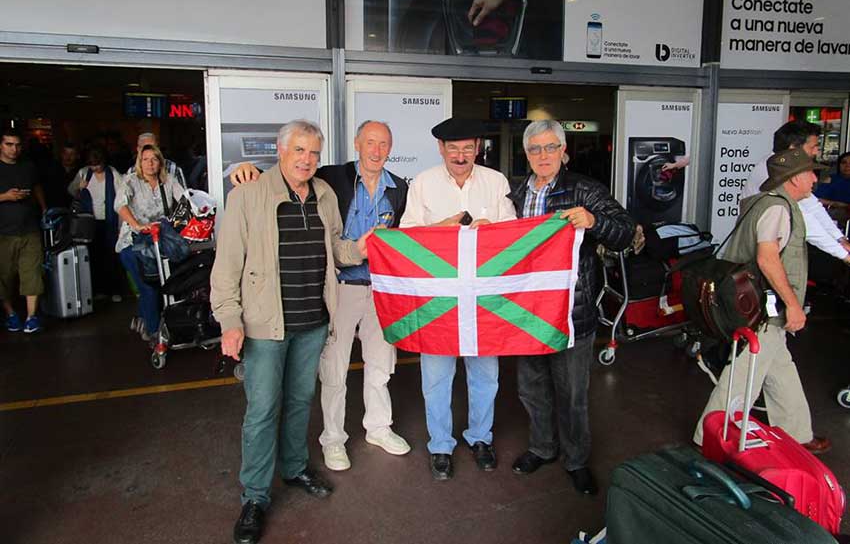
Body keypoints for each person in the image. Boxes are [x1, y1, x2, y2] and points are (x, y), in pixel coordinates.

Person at [211, 120, 371, 544]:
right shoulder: (247, 195)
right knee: (263, 410)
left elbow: (335, 248)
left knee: (300, 401)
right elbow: (225, 268)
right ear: (281, 151)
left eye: (314, 153)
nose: (308, 160)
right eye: (300, 151)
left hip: (313, 321)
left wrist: (360, 248)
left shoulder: (324, 195)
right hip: (265, 326)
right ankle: (255, 497)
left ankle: (296, 466)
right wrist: (230, 322)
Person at [228, 121, 412, 471]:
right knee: (334, 370)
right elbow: (289, 172)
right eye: (370, 142)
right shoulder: (332, 177)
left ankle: (378, 427)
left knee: (380, 366)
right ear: (356, 143)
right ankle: (333, 439)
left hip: (382, 291)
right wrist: (246, 169)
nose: (376, 150)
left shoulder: (400, 188)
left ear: (391, 148)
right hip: (340, 289)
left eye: (383, 144)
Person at [506, 120, 635, 495]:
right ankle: (542, 448)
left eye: (550, 148)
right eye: (535, 149)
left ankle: (576, 460)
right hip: (525, 311)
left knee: (572, 394)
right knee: (532, 388)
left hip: (571, 313)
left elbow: (625, 231)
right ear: (526, 154)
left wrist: (593, 221)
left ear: (564, 151)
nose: (543, 156)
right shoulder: (513, 194)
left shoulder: (584, 190)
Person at [693, 148, 832, 455]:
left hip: (754, 304)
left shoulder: (761, 203)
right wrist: (793, 305)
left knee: (780, 367)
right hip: (762, 309)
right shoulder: (778, 209)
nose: (815, 179)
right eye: (811, 173)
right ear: (795, 178)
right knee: (744, 372)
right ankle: (710, 436)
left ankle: (797, 431)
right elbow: (767, 259)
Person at [400, 117, 516, 481]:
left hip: (483, 297)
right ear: (441, 150)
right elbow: (406, 237)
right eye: (453, 149)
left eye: (468, 148)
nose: (461, 155)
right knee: (436, 376)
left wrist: (491, 231)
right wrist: (442, 229)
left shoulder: (496, 182)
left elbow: (512, 234)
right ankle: (440, 445)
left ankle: (481, 438)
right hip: (440, 298)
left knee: (486, 374)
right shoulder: (422, 183)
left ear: (478, 148)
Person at [743, 120, 850, 265]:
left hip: (782, 248)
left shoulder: (786, 167)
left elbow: (812, 205)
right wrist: (843, 254)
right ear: (793, 148)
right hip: (767, 253)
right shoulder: (773, 171)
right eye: (813, 147)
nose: (816, 151)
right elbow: (804, 218)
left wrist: (840, 238)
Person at [114, 144, 184, 341]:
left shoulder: (168, 180)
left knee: (166, 284)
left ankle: (144, 319)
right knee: (149, 287)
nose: (150, 163)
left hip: (159, 242)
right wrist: (136, 225)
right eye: (145, 159)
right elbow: (119, 205)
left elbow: (185, 200)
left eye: (154, 159)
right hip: (133, 243)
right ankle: (154, 334)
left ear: (160, 162)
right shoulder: (131, 180)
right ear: (139, 162)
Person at [0, 127, 47, 333]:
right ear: (1, 145)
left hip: (29, 229)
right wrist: (5, 197)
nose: (13, 149)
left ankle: (31, 316)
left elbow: (37, 187)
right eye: (9, 144)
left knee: (32, 273)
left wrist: (44, 208)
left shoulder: (28, 166)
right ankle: (10, 314)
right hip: (3, 232)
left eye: (17, 145)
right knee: (4, 277)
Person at [68, 146, 124, 302]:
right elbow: (71, 191)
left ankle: (115, 290)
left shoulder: (113, 174)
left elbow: (121, 198)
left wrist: (121, 225)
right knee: (94, 257)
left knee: (112, 257)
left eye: (98, 165)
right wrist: (79, 188)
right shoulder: (84, 173)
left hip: (110, 221)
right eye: (92, 165)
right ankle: (98, 290)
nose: (95, 168)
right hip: (89, 223)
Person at [43, 142, 81, 209]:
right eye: (65, 153)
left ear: (77, 156)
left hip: (74, 208)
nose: (68, 157)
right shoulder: (52, 168)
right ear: (61, 154)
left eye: (72, 154)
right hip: (54, 208)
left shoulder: (81, 171)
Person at [814, 151, 850, 218]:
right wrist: (836, 204)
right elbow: (816, 200)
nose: (847, 165)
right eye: (844, 162)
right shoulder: (831, 179)